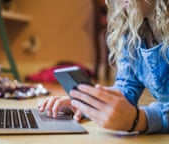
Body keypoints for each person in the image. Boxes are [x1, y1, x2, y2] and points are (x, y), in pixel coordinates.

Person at [38, 0, 169, 134]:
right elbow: (127, 86)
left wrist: (140, 119)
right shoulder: (132, 31)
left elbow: (143, 118)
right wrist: (89, 104)